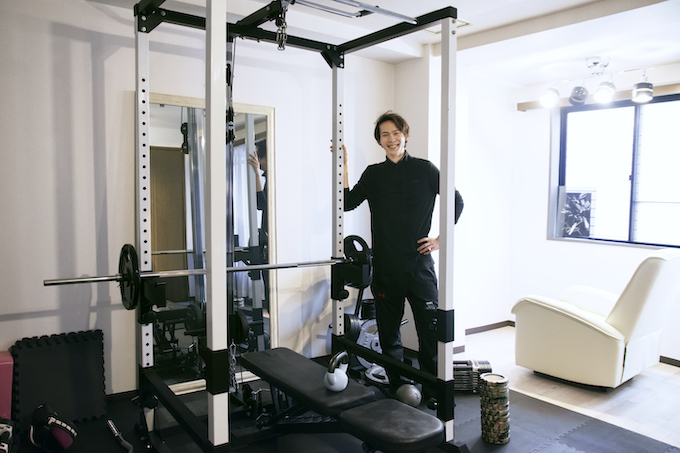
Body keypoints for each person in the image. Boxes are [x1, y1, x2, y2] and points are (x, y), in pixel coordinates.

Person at [341, 111, 463, 397]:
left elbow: (456, 201)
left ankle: (432, 390)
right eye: (385, 135)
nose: (391, 139)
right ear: (379, 141)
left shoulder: (426, 169)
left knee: (430, 334)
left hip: (420, 269)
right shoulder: (374, 174)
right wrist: (343, 167)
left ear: (405, 135)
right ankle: (398, 387)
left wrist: (440, 240)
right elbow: (346, 203)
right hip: (386, 269)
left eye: (396, 133)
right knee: (389, 335)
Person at [247, 139, 269, 310]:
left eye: (258, 156)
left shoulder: (275, 178)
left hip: (272, 242)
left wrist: (255, 173)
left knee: (270, 286)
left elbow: (261, 204)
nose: (257, 160)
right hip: (266, 238)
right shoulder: (269, 177)